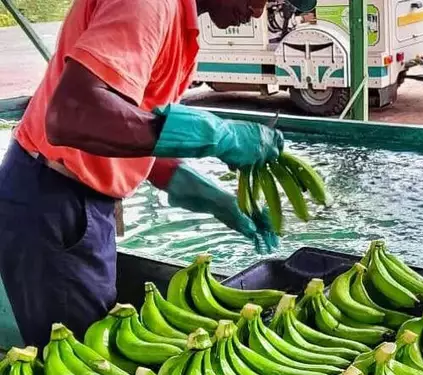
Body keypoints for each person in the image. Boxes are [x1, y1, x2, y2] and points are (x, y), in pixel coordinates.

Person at [0, 0, 314, 350]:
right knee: (77, 354)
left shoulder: (179, 23)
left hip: (75, 201)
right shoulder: (149, 4)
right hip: (55, 202)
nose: (258, 12)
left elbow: (131, 129)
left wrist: (216, 201)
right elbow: (71, 115)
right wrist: (216, 135)